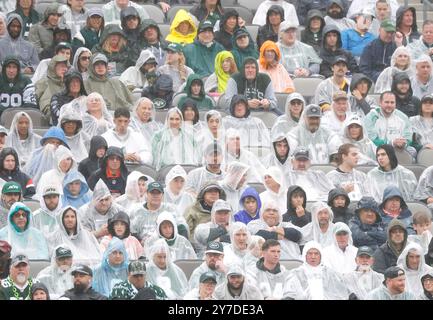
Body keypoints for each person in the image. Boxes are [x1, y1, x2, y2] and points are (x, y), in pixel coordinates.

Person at [282, 240, 350, 300]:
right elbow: (289, 293)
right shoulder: (296, 273)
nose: (313, 257)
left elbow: (342, 292)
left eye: (316, 253)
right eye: (310, 253)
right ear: (305, 255)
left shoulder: (330, 273)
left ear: (321, 256)